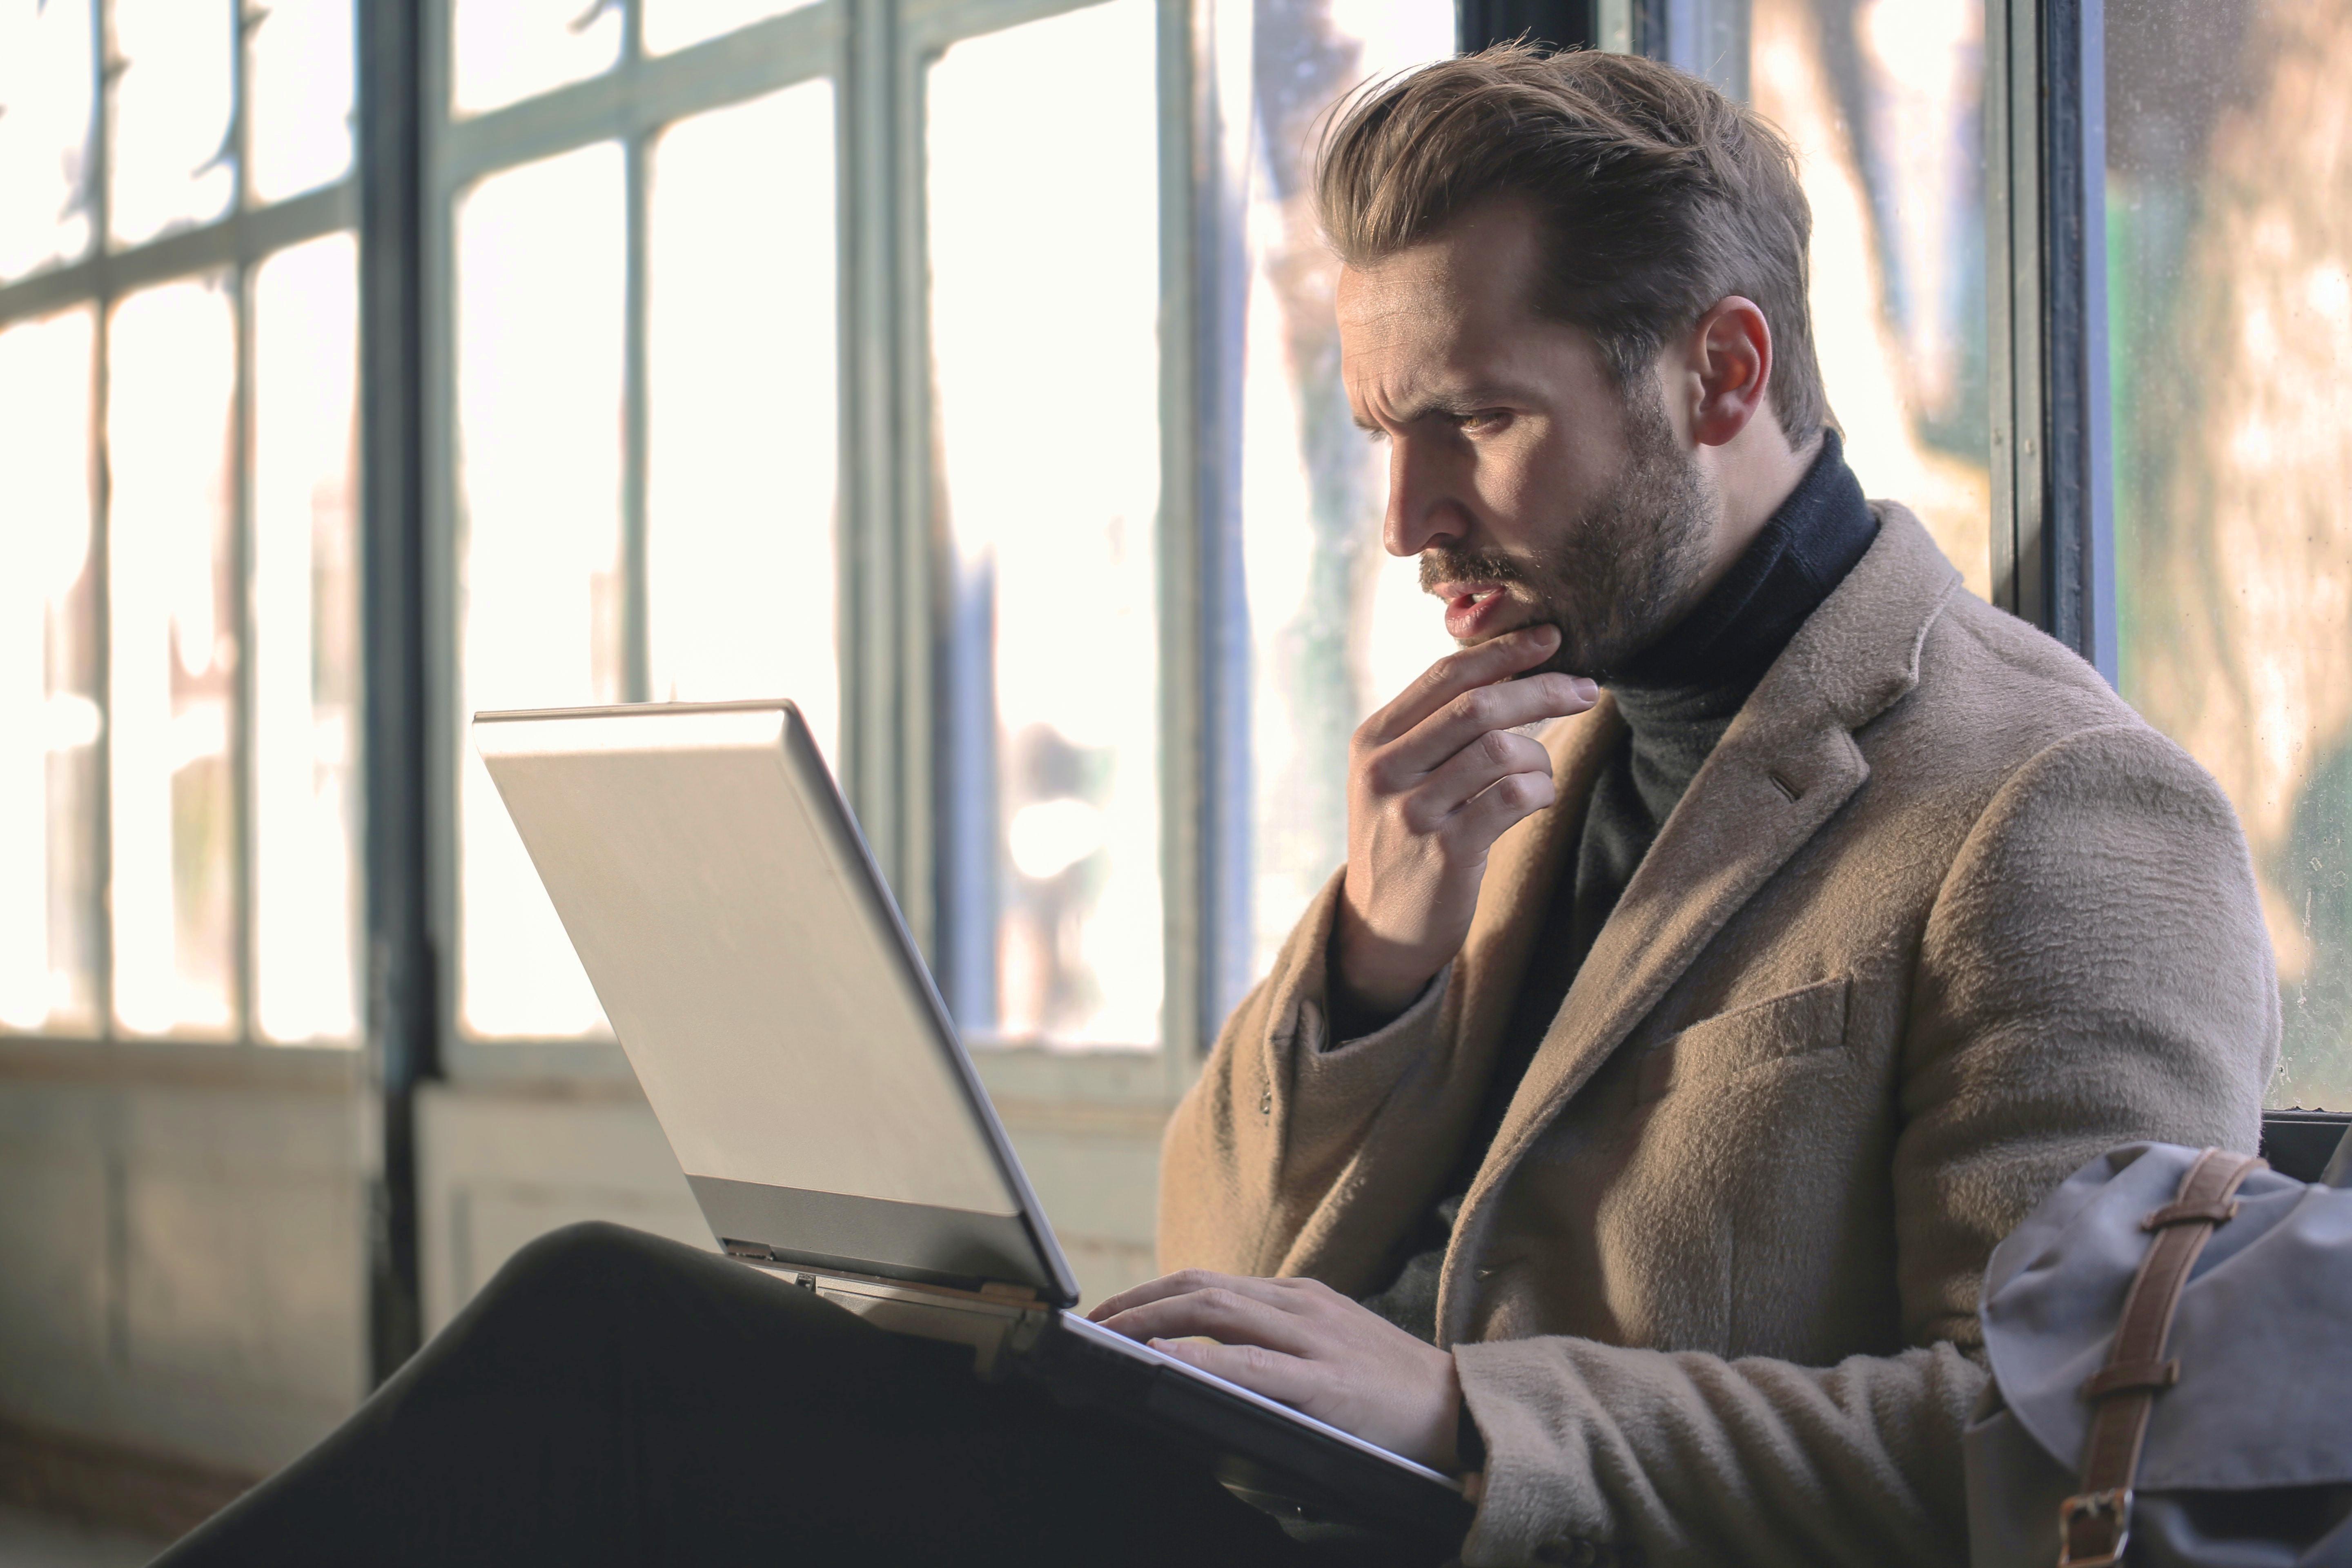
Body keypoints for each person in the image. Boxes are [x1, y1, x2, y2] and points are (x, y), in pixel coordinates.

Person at [154, 43, 2277, 1568]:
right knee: (616, 1334)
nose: (1408, 519)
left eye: (1477, 423)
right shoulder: (1521, 737)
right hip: (1266, 1510)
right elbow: (1224, 1262)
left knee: (614, 1365)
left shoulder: (2059, 808)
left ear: (1721, 378)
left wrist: (1463, 1414)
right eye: (1381, 430)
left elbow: (2060, 1461)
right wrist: (1370, 960)